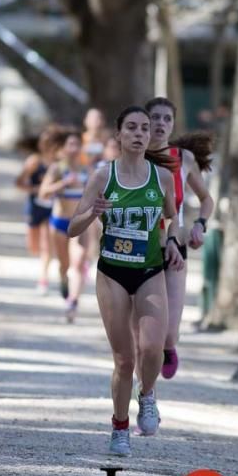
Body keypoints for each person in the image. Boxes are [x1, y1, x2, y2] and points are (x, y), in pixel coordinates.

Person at [67, 106, 184, 457]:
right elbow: (73, 228)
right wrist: (93, 212)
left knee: (152, 347)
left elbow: (172, 218)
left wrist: (174, 242)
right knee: (123, 360)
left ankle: (147, 395)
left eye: (144, 128)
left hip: (149, 270)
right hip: (113, 271)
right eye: (131, 127)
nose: (139, 133)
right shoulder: (104, 176)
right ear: (118, 134)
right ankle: (119, 427)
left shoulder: (161, 177)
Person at [144, 97, 215, 380]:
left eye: (167, 119)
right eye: (155, 117)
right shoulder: (132, 156)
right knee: (145, 335)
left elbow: (206, 199)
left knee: (169, 334)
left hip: (176, 249)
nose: (160, 123)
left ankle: (169, 347)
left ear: (172, 125)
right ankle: (146, 395)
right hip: (140, 250)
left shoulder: (183, 158)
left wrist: (199, 224)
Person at [38, 129, 93, 321]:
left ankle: (73, 302)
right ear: (64, 148)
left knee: (78, 264)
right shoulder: (57, 169)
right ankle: (63, 280)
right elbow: (43, 193)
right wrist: (62, 184)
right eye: (70, 144)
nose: (74, 148)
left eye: (77, 144)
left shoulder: (87, 170)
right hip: (59, 222)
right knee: (65, 265)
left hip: (80, 223)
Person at [15, 126, 59, 294]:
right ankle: (42, 264)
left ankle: (43, 279)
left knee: (47, 245)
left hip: (53, 208)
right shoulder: (34, 161)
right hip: (35, 206)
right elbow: (19, 183)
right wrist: (36, 189)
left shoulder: (59, 163)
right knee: (33, 247)